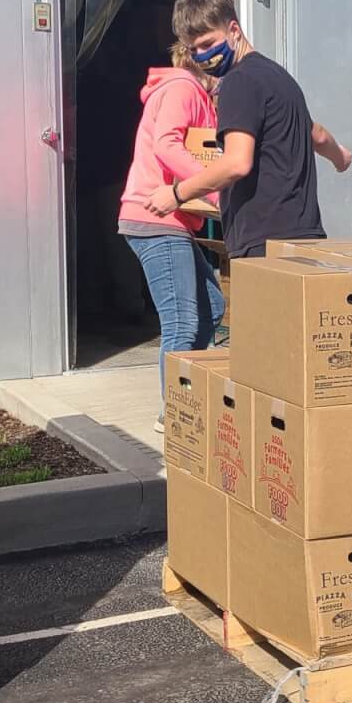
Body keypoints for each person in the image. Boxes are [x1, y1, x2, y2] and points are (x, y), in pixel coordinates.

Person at [144, 0, 352, 259]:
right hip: (306, 235)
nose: (201, 56)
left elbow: (236, 163)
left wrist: (177, 193)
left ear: (233, 30)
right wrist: (340, 157)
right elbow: (317, 134)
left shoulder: (238, 82)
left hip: (263, 243)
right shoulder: (281, 78)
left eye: (207, 43)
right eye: (193, 50)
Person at [119, 44, 226, 428]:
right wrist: (215, 191)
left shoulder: (190, 92)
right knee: (182, 320)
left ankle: (187, 395)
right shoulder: (182, 89)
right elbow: (167, 144)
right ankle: (177, 414)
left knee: (211, 307)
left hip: (172, 221)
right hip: (156, 218)